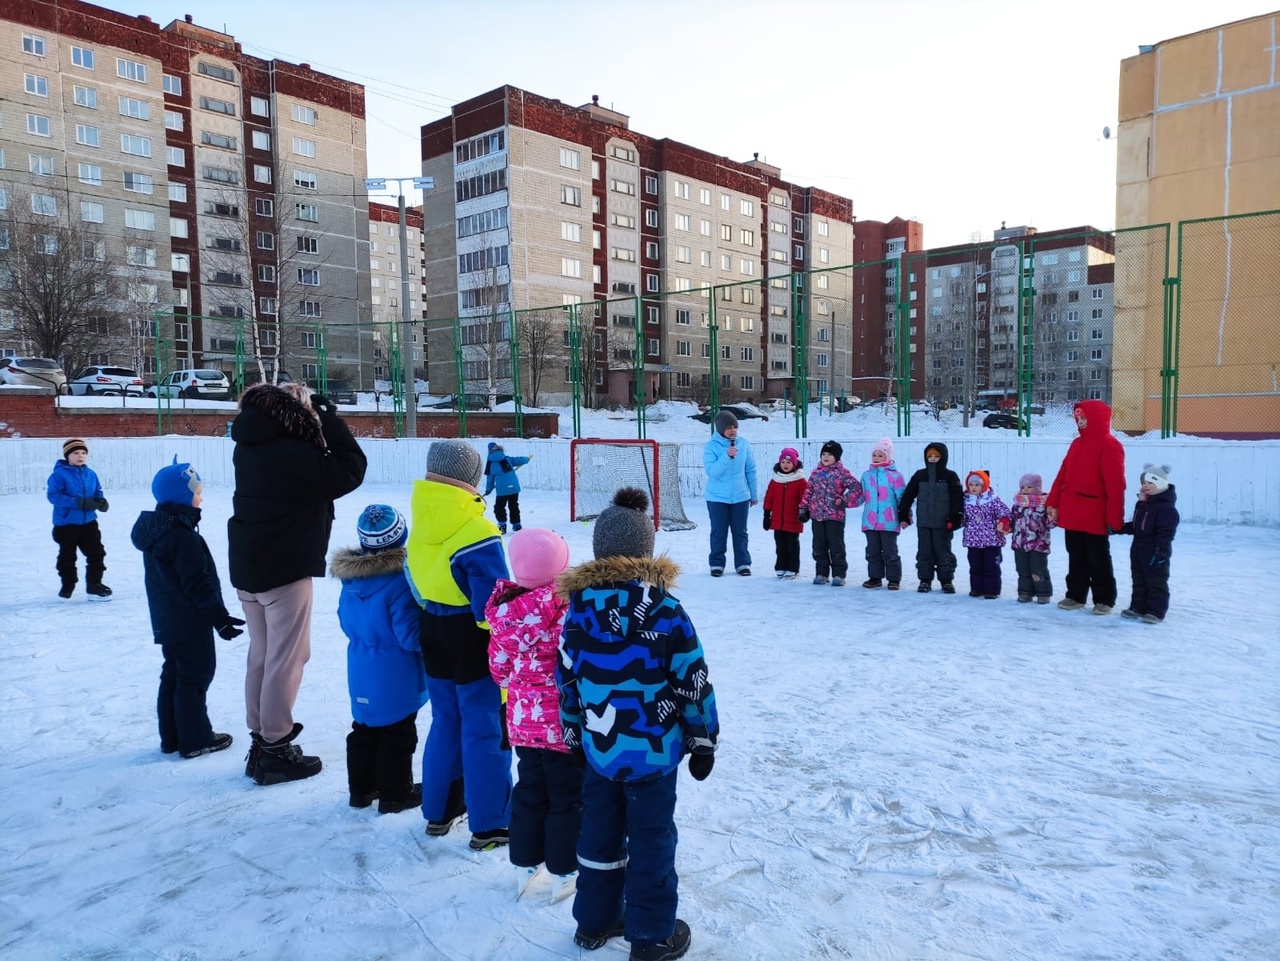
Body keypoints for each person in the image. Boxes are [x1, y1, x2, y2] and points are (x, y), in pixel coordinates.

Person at [556, 487, 718, 961]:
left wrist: (572, 731)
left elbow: (567, 680)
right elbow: (692, 681)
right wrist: (704, 739)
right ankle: (650, 936)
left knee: (598, 834)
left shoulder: (577, 612)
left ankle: (594, 920)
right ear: (646, 549)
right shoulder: (666, 612)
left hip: (599, 751)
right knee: (651, 840)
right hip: (652, 753)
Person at [228, 382, 367, 785]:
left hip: (250, 565)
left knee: (263, 653)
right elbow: (349, 469)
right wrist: (329, 419)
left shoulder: (249, 443)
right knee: (287, 657)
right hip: (283, 567)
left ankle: (261, 738)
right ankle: (275, 747)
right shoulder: (290, 450)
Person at [407, 440, 512, 850]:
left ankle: (439, 809)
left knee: (446, 721)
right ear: (472, 478)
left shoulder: (422, 519)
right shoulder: (477, 530)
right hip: (472, 638)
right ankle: (490, 824)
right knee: (485, 727)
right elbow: (493, 604)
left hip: (432, 628)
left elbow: (414, 582)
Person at [485, 528, 581, 903]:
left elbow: (500, 671)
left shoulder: (505, 614)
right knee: (565, 797)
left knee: (529, 790)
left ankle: (524, 861)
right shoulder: (567, 611)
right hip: (560, 727)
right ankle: (564, 868)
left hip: (523, 723)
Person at [131, 458, 243, 758]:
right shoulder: (181, 537)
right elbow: (198, 583)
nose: (201, 496)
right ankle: (195, 739)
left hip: (168, 621)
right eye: (196, 490)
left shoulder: (160, 531)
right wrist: (218, 618)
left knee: (173, 675)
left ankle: (172, 737)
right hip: (189, 622)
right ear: (181, 496)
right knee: (194, 677)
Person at [330, 504, 428, 813]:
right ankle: (395, 794)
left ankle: (361, 790)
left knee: (364, 729)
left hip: (360, 668)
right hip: (394, 674)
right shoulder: (401, 582)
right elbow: (410, 635)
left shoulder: (351, 582)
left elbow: (345, 621)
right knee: (398, 733)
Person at [1045, 400, 1126, 615]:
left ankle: (1104, 599)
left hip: (1095, 515)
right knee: (1076, 557)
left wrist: (1114, 518)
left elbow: (1116, 486)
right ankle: (1075, 595)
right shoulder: (1076, 444)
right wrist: (1052, 502)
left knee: (1098, 559)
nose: (1080, 422)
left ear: (1098, 419)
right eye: (1077, 418)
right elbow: (1062, 475)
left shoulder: (1111, 445)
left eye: (1084, 418)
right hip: (1072, 513)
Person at [47, 438, 111, 599]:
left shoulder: (91, 474)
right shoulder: (59, 475)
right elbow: (54, 496)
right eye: (75, 453)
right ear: (67, 455)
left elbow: (98, 490)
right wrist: (79, 503)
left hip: (89, 523)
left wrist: (101, 501)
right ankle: (68, 585)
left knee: (97, 554)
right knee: (67, 557)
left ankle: (94, 585)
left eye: (83, 452)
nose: (80, 456)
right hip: (66, 524)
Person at [898, 442, 964, 593]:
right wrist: (903, 513)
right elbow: (908, 495)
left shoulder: (950, 476)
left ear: (943, 457)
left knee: (943, 552)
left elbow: (957, 499)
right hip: (924, 523)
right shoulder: (920, 475)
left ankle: (946, 580)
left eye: (936, 456)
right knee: (924, 552)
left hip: (943, 523)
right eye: (930, 456)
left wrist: (955, 518)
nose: (933, 458)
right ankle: (925, 580)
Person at [1118, 464, 1180, 624]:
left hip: (1155, 550)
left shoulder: (1166, 509)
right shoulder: (1142, 504)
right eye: (1144, 482)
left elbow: (1166, 533)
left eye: (1150, 483)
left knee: (1156, 580)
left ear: (1160, 484)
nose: (1145, 486)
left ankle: (1156, 611)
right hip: (1138, 547)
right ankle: (1137, 607)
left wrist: (1161, 551)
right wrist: (1120, 528)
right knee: (1138, 578)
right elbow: (1137, 526)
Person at [702, 409, 758, 576]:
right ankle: (717, 564)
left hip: (740, 496)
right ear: (720, 429)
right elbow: (712, 472)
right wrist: (726, 456)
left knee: (740, 531)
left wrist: (753, 494)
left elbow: (751, 469)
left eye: (735, 426)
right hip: (717, 497)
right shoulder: (711, 446)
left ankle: (743, 563)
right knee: (719, 531)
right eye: (728, 427)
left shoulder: (744, 443)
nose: (733, 430)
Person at [797, 440, 862, 587]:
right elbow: (809, 491)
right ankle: (822, 573)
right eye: (823, 454)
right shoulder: (816, 473)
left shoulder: (842, 473)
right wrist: (803, 508)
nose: (825, 457)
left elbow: (856, 488)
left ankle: (839, 574)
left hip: (834, 516)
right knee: (819, 545)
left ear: (837, 457)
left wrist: (844, 499)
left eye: (830, 454)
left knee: (836, 545)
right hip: (817, 515)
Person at [856, 437, 907, 590]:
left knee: (890, 551)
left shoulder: (895, 476)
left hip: (889, 521)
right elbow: (860, 495)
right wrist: (844, 501)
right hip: (870, 521)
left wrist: (905, 516)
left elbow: (902, 498)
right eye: (874, 455)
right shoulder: (867, 476)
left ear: (888, 456)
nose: (876, 458)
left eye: (880, 455)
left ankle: (894, 579)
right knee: (872, 551)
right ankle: (875, 577)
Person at [962, 470, 1012, 599]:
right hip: (973, 540)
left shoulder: (992, 499)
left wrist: (1004, 522)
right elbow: (961, 518)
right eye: (971, 484)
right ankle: (976, 588)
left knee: (991, 566)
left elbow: (1005, 512)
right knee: (975, 566)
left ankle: (991, 590)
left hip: (992, 540)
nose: (973, 487)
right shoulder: (965, 501)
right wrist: (953, 520)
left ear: (984, 485)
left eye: (977, 484)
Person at [762, 447, 807, 579]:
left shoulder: (800, 481)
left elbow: (804, 498)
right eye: (783, 462)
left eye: (789, 462)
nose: (786, 465)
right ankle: (781, 566)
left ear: (794, 464)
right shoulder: (775, 480)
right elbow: (769, 498)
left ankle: (793, 567)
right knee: (780, 545)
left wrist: (804, 511)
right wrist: (766, 515)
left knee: (792, 545)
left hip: (793, 520)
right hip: (777, 520)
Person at [1010, 473, 1055, 604]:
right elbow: (1013, 520)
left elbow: (1050, 524)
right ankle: (1025, 592)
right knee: (1022, 569)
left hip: (1038, 544)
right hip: (1020, 543)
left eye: (1029, 487)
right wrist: (1007, 526)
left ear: (1037, 488)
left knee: (1038, 569)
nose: (1025, 490)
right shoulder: (1017, 504)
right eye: (1022, 487)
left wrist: (1053, 518)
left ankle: (1043, 593)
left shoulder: (1044, 505)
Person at [484, 441, 531, 534]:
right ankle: (516, 525)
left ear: (489, 451)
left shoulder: (491, 463)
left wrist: (488, 490)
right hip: (514, 487)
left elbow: (490, 479)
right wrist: (527, 459)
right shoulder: (507, 458)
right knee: (513, 505)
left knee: (499, 507)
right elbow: (518, 460)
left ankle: (502, 525)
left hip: (502, 490)